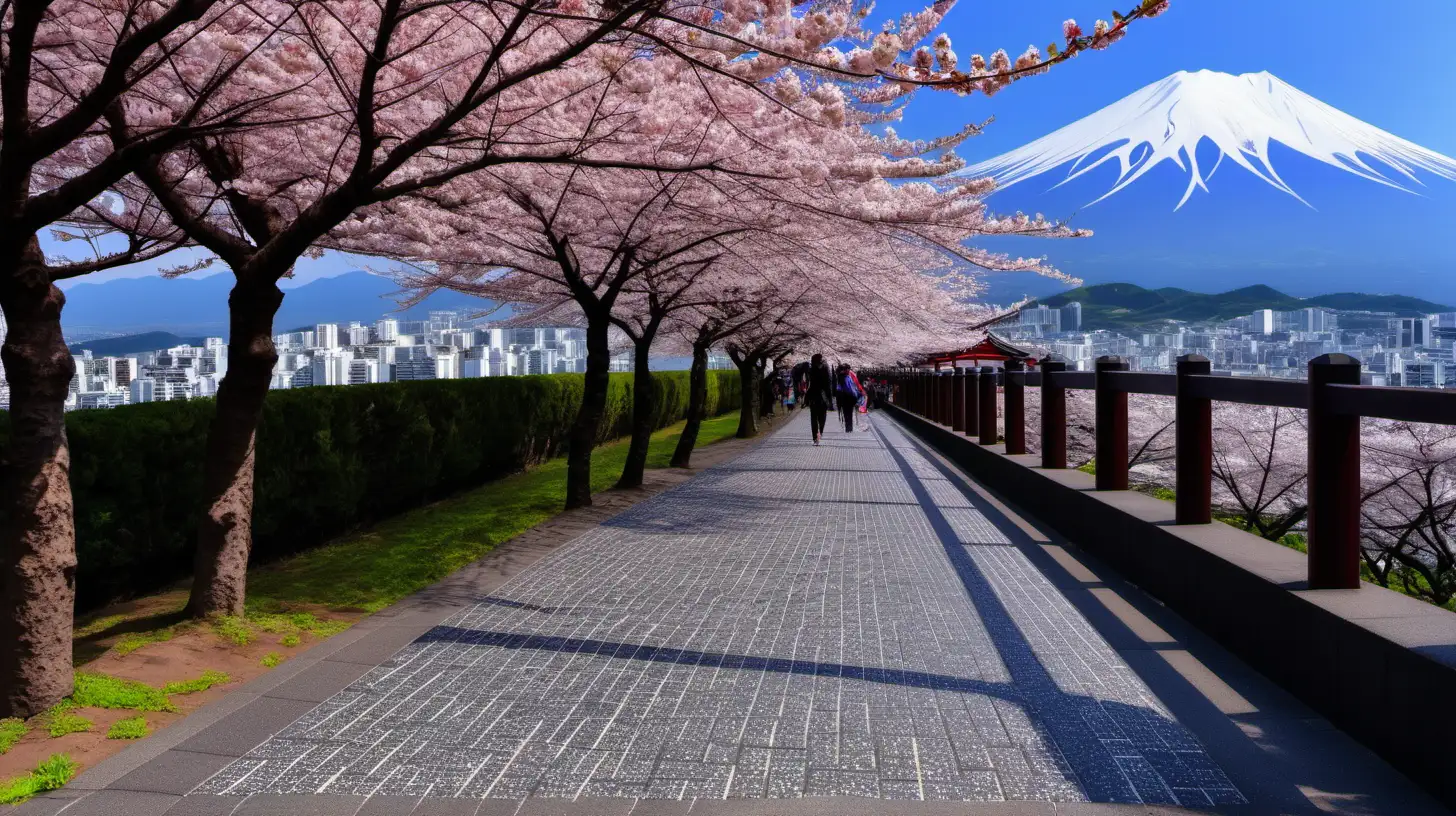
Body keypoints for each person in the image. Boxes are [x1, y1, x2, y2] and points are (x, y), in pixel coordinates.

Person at [800, 354, 832, 444]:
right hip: (824, 396)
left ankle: (815, 437)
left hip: (813, 395)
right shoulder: (826, 368)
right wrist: (829, 398)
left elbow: (810, 384)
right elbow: (829, 384)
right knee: (822, 416)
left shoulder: (811, 369)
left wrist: (806, 398)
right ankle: (820, 433)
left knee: (814, 417)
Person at [835, 363, 864, 433]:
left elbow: (839, 388)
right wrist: (857, 394)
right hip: (849, 397)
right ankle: (849, 428)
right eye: (848, 369)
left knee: (846, 413)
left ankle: (848, 427)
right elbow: (851, 388)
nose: (849, 370)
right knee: (849, 413)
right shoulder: (847, 378)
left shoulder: (840, 378)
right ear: (846, 370)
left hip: (843, 398)